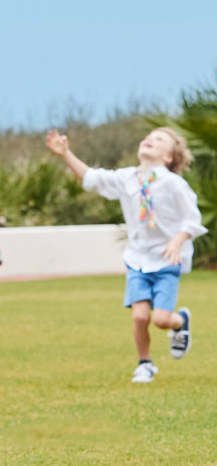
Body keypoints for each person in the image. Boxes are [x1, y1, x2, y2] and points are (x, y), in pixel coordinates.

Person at [46, 125, 205, 383]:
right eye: (148, 137)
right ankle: (145, 364)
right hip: (137, 259)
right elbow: (92, 178)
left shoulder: (174, 184)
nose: (149, 139)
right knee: (140, 316)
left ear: (168, 157)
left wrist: (177, 242)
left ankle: (179, 322)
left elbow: (192, 219)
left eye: (159, 139)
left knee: (161, 320)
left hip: (167, 260)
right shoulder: (127, 178)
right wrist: (65, 154)